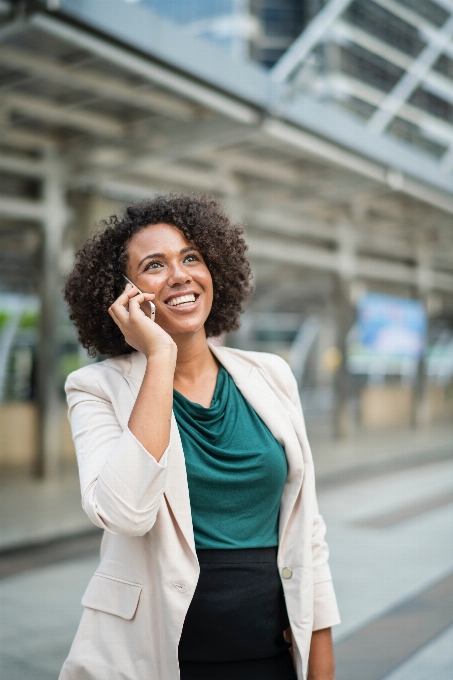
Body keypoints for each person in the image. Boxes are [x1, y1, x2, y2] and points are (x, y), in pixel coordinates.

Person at [60, 194, 340, 680]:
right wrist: (159, 357)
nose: (180, 274)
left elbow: (307, 533)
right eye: (154, 265)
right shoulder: (95, 388)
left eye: (191, 257)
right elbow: (124, 513)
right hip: (155, 659)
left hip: (267, 657)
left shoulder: (270, 375)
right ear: (123, 293)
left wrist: (321, 666)